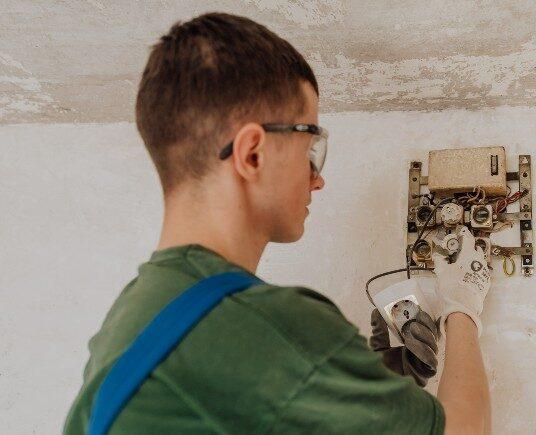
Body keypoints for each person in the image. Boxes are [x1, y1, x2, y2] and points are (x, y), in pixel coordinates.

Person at [64, 12, 491, 434]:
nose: (317, 179)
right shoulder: (267, 322)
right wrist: (462, 308)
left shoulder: (130, 320)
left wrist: (376, 387)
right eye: (310, 149)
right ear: (252, 154)